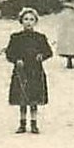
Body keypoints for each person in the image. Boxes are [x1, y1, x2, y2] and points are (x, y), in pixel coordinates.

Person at [5, 7, 52, 135]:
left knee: (34, 98)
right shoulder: (16, 37)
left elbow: (49, 52)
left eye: (31, 19)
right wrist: (16, 60)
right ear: (21, 21)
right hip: (21, 70)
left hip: (35, 70)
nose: (28, 22)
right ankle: (22, 123)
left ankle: (34, 123)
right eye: (26, 19)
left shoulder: (40, 37)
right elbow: (9, 53)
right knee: (22, 97)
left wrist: (41, 56)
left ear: (36, 21)